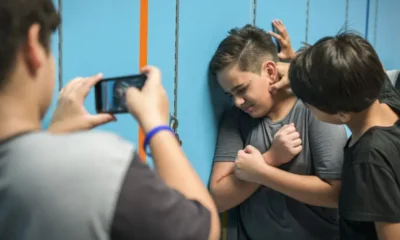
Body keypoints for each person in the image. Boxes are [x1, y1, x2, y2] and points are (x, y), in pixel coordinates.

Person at [0, 1, 220, 240]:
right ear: (33, 46)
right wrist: (156, 125)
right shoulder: (98, 164)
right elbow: (202, 232)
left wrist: (56, 133)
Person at [209, 22, 347, 240]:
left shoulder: (314, 109)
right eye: (230, 95)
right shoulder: (235, 119)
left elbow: (335, 193)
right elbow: (218, 198)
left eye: (242, 89)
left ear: (270, 71)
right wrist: (270, 158)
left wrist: (261, 171)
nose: (237, 102)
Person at [288, 32, 400, 240]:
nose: (307, 108)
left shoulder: (370, 160)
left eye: (309, 106)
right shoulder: (384, 99)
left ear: (342, 115)